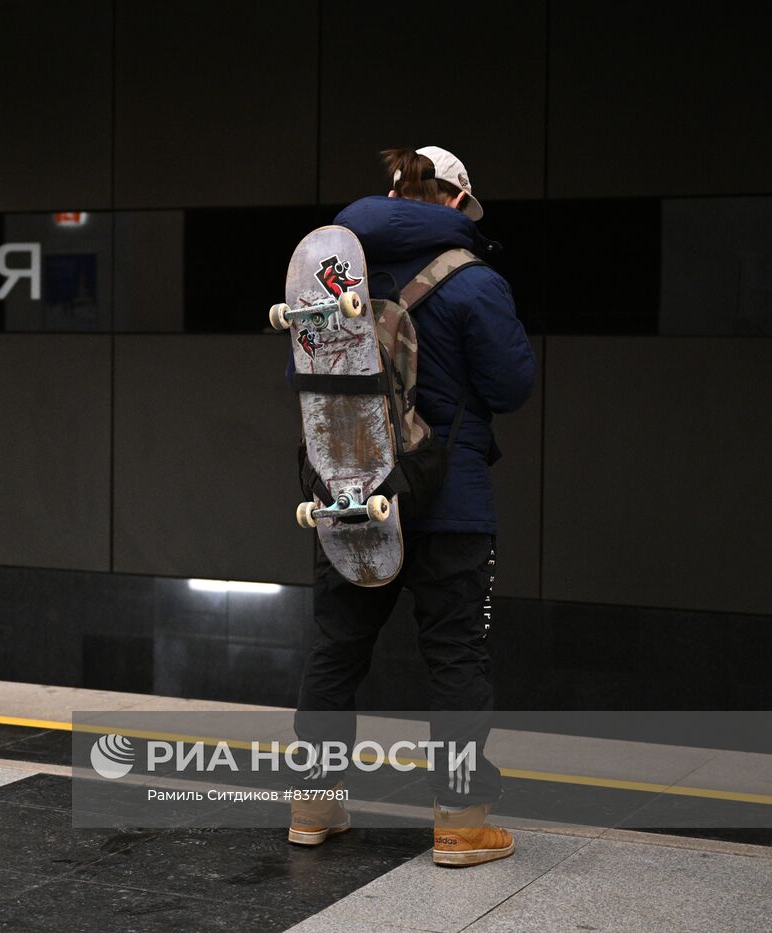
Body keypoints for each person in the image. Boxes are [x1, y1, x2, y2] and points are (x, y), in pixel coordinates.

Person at [287, 146, 536, 867]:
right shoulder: (475, 283)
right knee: (455, 655)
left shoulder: (335, 274)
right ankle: (459, 820)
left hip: (353, 490)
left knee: (336, 648)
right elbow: (513, 384)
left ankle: (313, 802)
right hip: (451, 499)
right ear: (456, 202)